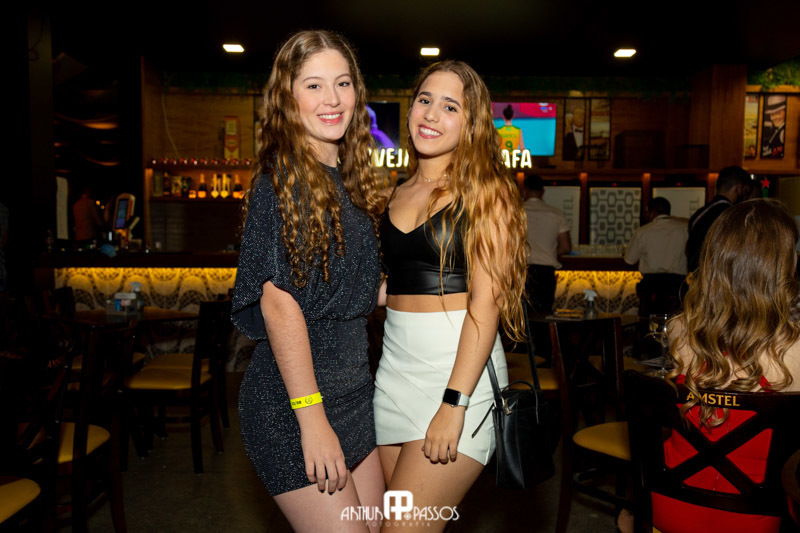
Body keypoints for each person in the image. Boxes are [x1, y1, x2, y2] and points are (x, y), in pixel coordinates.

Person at [230, 30, 385, 532]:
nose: (332, 99)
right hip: (294, 403)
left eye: (342, 83)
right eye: (314, 85)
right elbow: (279, 305)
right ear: (287, 97)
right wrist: (311, 419)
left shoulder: (351, 179)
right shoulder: (278, 182)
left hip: (353, 393)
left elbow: (359, 291)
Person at [373, 61, 527, 530]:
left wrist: (453, 403)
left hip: (458, 377)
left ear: (471, 123)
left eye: (450, 106)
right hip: (393, 374)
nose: (431, 114)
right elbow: (399, 284)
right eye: (425, 100)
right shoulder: (396, 192)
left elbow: (486, 304)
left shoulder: (488, 193)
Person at [652, 199, 800, 533]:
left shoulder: (679, 328)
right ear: (782, 265)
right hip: (758, 517)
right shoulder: (795, 348)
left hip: (672, 501)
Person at [623, 197, 687, 316]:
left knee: (647, 318)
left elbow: (629, 260)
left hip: (651, 286)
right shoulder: (684, 229)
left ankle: (645, 326)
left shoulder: (643, 231)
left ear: (652, 212)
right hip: (677, 286)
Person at [685, 165, 751, 273]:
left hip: (697, 276)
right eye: (745, 191)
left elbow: (688, 250)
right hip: (718, 276)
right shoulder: (731, 215)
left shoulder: (699, 214)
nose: (746, 197)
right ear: (737, 188)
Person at [523, 174, 571, 314]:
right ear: (543, 191)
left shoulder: (515, 212)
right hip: (545, 273)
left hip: (521, 270)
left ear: (524, 190)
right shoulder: (556, 213)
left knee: (523, 316)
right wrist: (550, 251)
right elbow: (566, 247)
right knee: (543, 316)